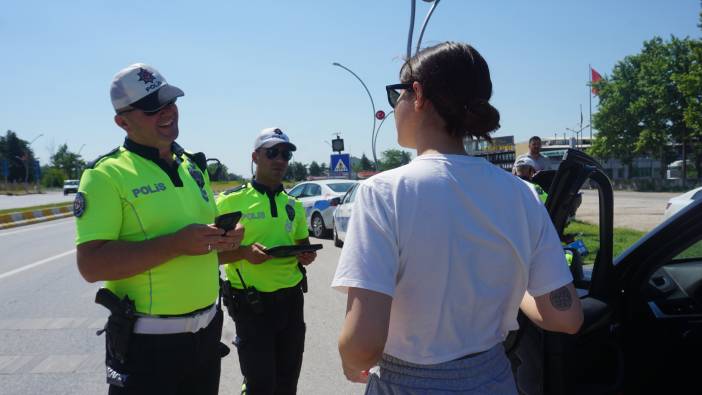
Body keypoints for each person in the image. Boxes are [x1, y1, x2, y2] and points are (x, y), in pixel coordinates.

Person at [331, 42, 583, 394]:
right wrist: (510, 287)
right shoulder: (522, 195)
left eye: (396, 96)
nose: (394, 108)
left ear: (417, 94)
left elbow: (362, 346)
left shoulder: (383, 193)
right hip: (495, 379)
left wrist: (350, 361)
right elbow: (565, 316)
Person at [75, 63, 244, 394]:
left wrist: (226, 241)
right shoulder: (105, 175)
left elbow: (200, 248)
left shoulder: (193, 167)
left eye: (170, 101)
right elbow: (91, 265)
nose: (167, 112)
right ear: (122, 121)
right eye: (153, 108)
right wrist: (175, 244)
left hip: (207, 335)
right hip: (148, 347)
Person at [217, 127, 317, 395]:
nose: (280, 160)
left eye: (285, 154)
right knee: (261, 384)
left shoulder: (293, 204)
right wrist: (242, 252)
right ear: (255, 156)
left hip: (291, 301)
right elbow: (207, 254)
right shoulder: (229, 201)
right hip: (251, 304)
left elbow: (301, 246)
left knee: (287, 383)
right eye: (272, 153)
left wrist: (307, 255)